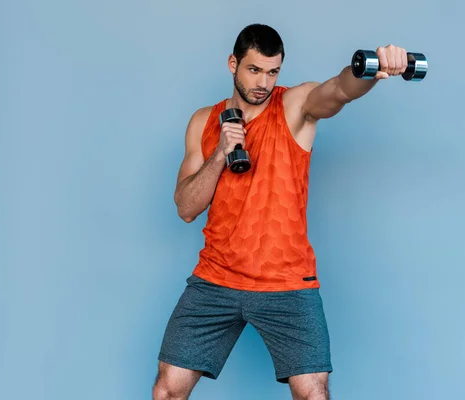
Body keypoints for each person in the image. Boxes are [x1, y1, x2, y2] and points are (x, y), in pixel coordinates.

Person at [153, 23, 408, 400]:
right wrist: (221, 153)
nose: (263, 82)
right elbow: (187, 208)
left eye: (272, 72)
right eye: (254, 70)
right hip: (217, 278)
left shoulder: (295, 106)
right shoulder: (202, 121)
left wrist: (370, 69)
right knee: (167, 390)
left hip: (286, 282)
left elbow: (338, 91)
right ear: (232, 64)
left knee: (313, 394)